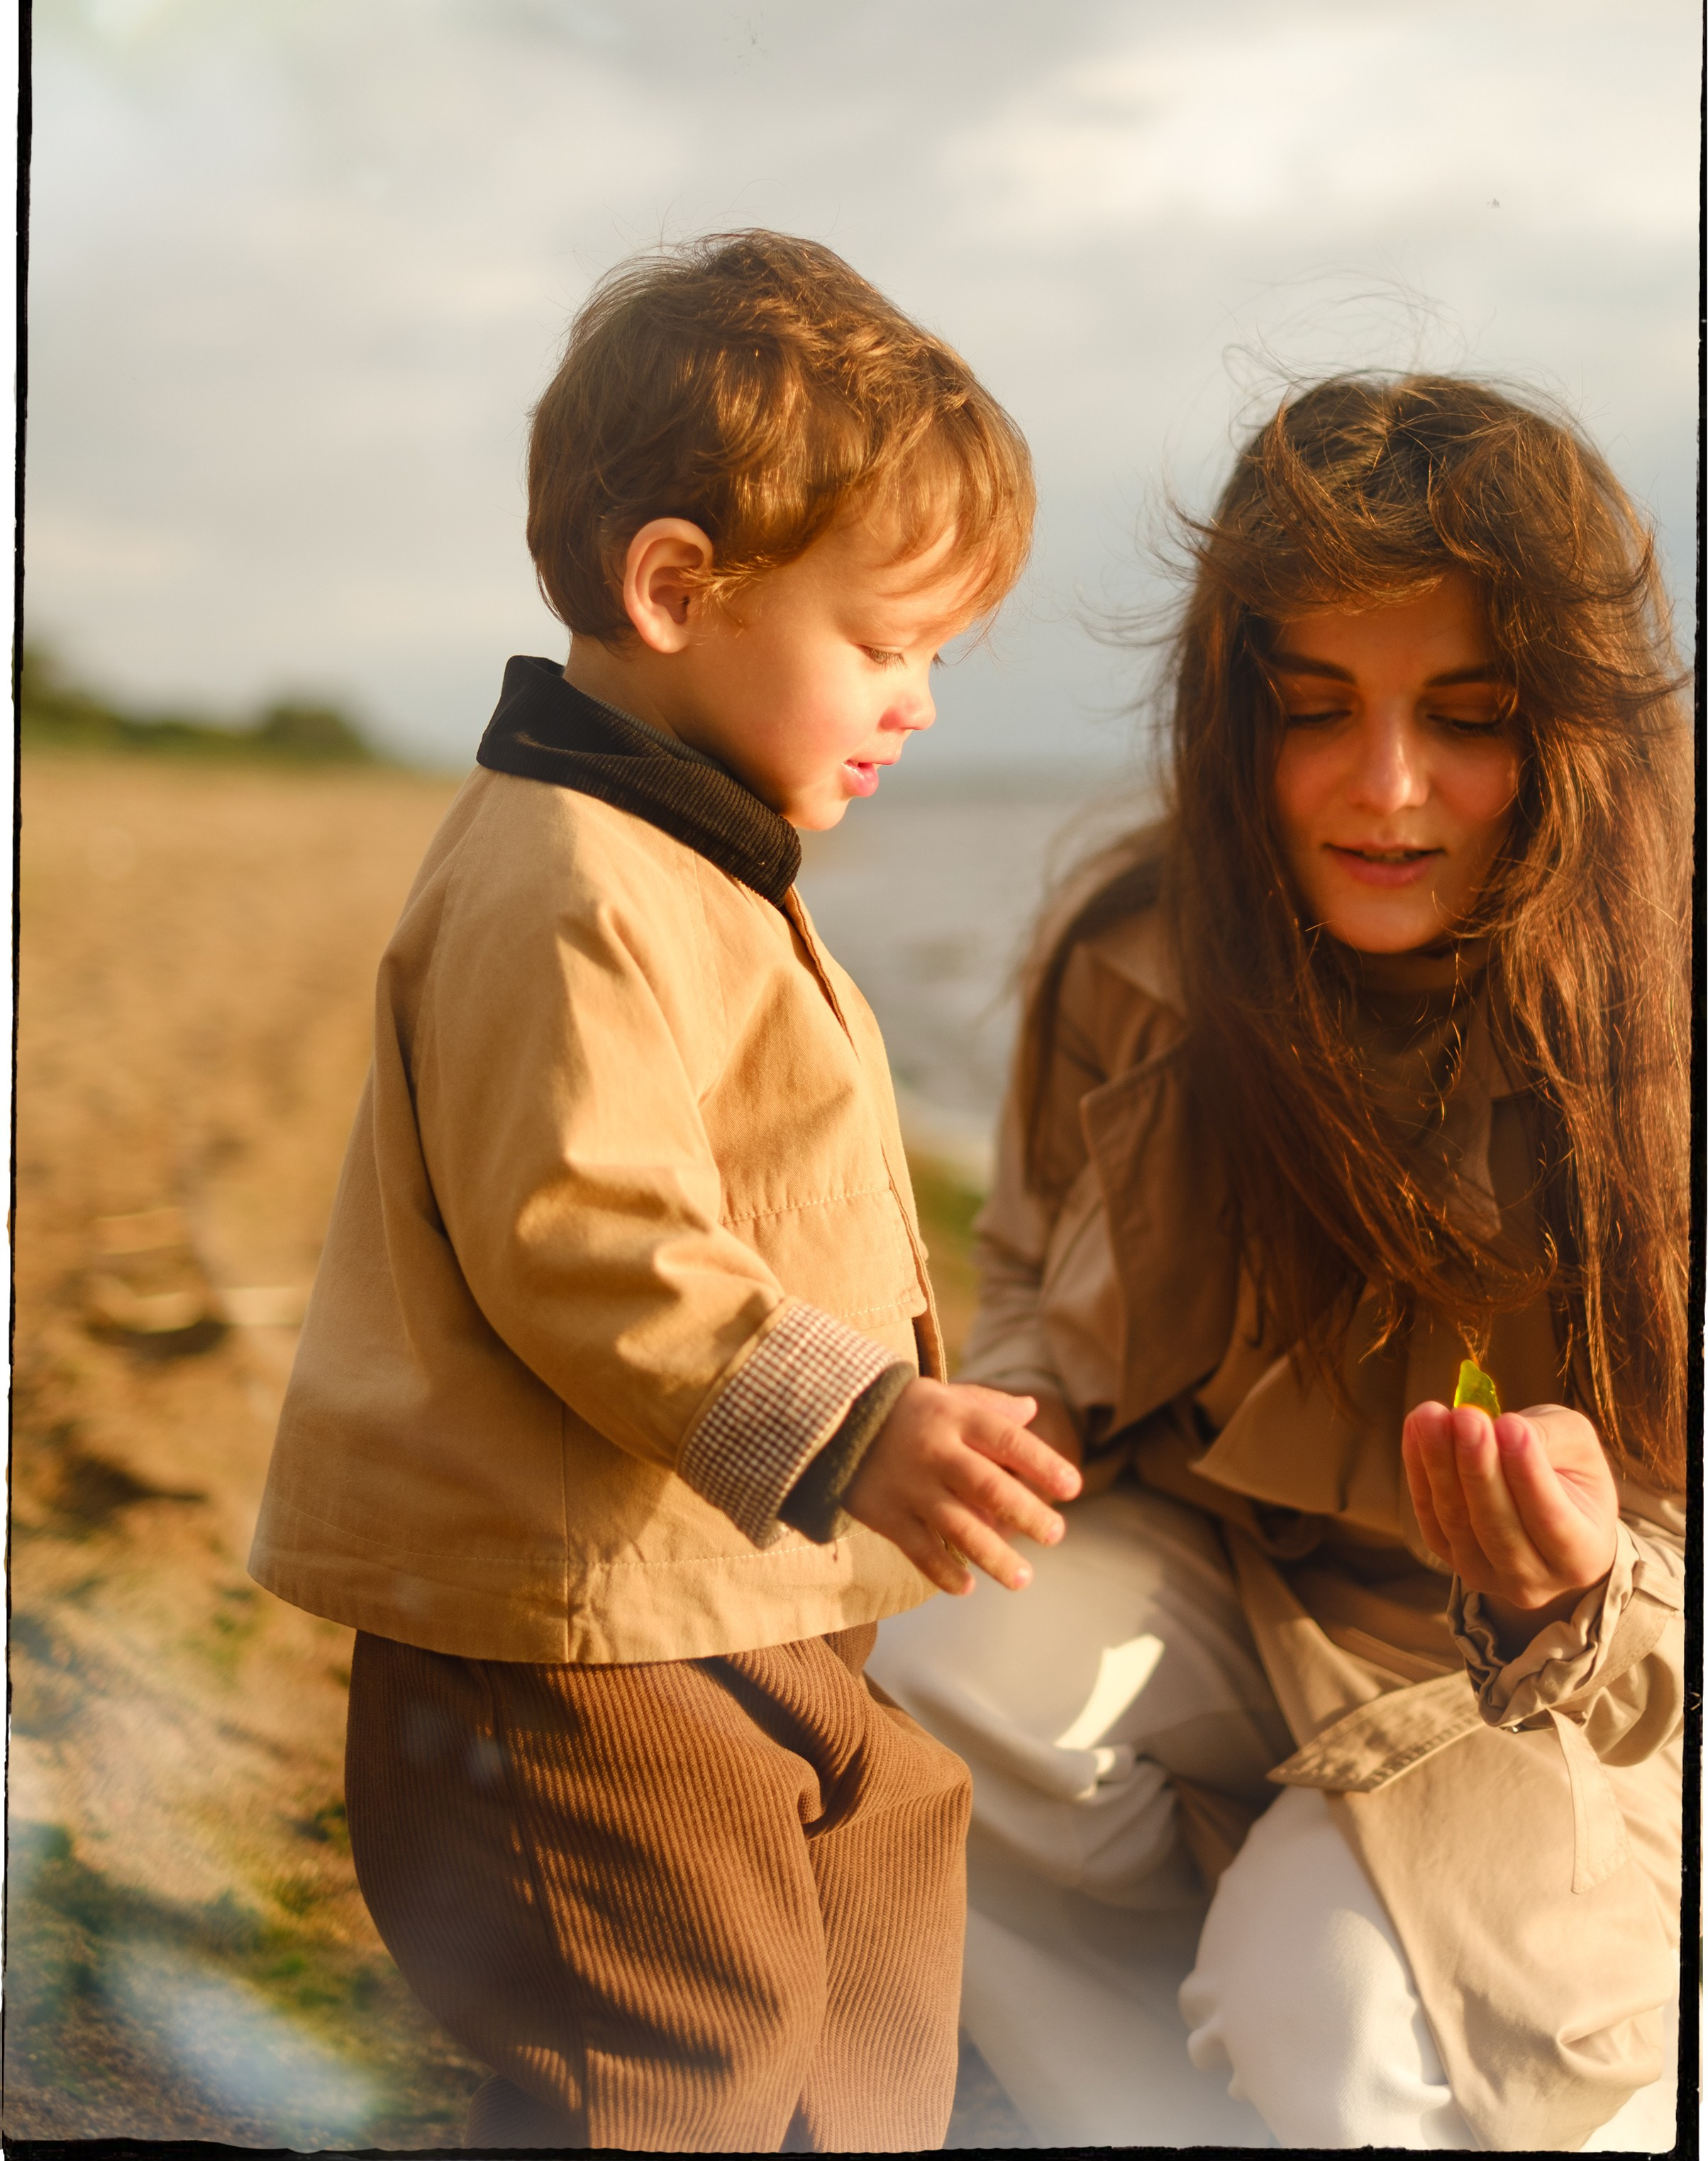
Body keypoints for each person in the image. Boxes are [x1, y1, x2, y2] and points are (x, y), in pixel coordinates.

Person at [248, 230, 1081, 2155]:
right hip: (569, 1615)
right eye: (886, 645)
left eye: (937, 658)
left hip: (721, 1571)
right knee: (671, 2020)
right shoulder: (565, 877)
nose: (920, 704)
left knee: (874, 1896)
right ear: (679, 587)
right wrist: (860, 1419)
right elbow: (585, 1237)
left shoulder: (689, 854)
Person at [870, 373, 1687, 2152]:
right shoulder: (1133, 945)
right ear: (1232, 712)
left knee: (1344, 2022)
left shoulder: (1670, 1000)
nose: (1383, 790)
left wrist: (1579, 1584)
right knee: (932, 1661)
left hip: (1568, 1683)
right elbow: (1026, 1262)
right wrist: (1009, 1406)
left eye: (1467, 717)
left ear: (1578, 722)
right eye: (1314, 711)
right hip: (1226, 1591)